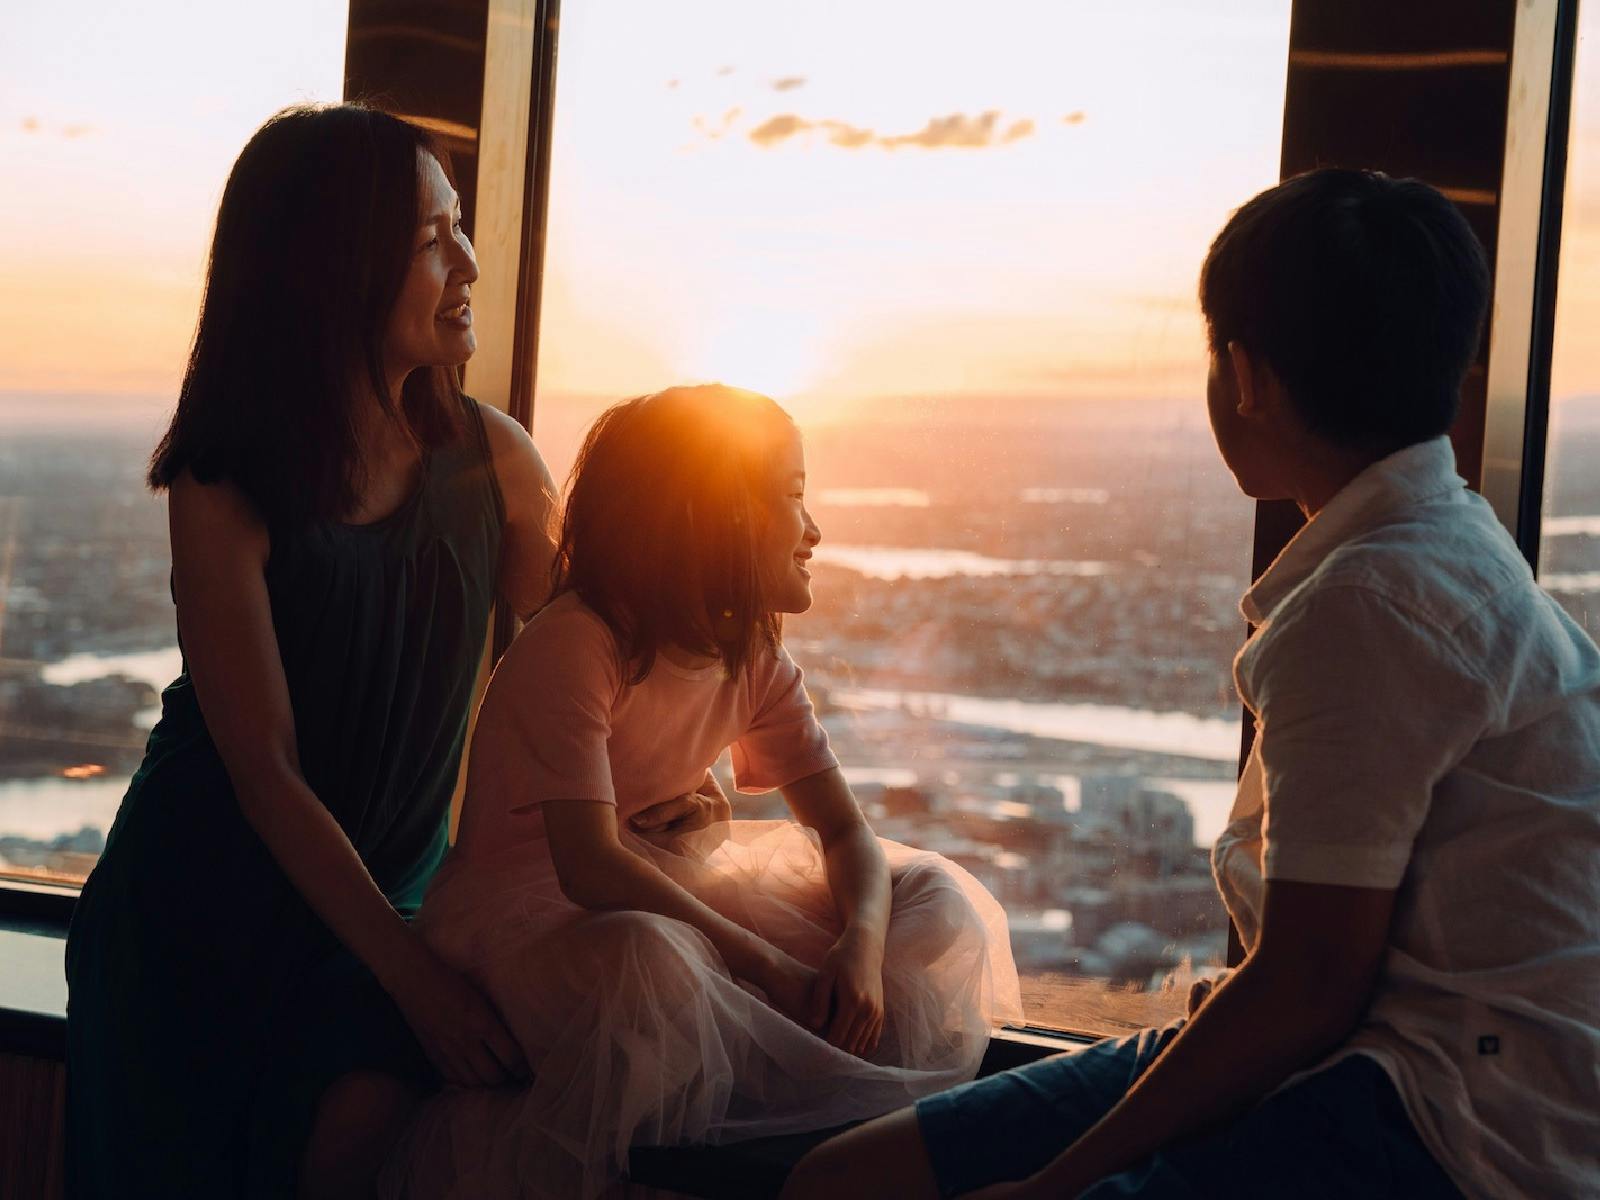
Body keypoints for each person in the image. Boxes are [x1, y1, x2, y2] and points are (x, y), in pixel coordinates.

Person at [782, 169, 1600, 1199]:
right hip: (1413, 1055)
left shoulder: (1368, 602)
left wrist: (1052, 1186)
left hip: (1450, 1114)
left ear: (1246, 377)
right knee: (852, 1179)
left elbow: (1307, 988)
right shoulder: (1446, 541)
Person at [60, 102, 722, 1200]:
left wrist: (680, 783)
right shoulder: (224, 481)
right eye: (432, 239)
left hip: (391, 920)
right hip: (195, 926)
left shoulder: (496, 463)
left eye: (461, 226)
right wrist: (414, 978)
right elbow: (263, 771)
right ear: (337, 269)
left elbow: (588, 682)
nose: (466, 261)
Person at [379, 384, 1024, 1200]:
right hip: (526, 919)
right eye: (792, 497)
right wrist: (765, 968)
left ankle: (782, 1111)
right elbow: (590, 869)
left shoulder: (750, 654)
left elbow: (846, 834)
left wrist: (857, 948)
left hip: (660, 884)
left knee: (929, 897)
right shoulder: (579, 644)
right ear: (718, 517)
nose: (814, 530)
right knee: (653, 966)